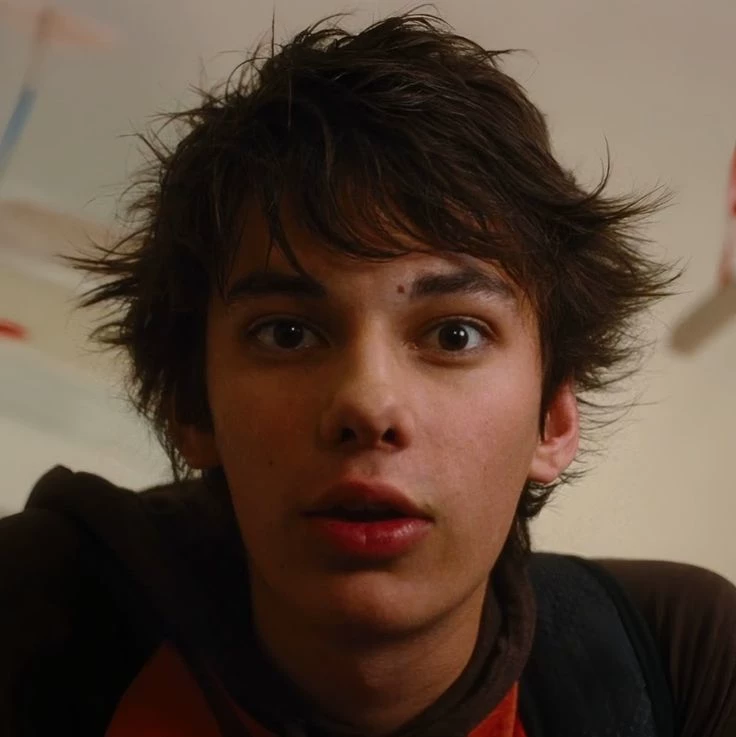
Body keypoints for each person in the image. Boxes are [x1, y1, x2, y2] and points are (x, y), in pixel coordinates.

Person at [1, 12, 735, 737]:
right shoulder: (28, 621)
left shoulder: (679, 661)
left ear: (555, 418)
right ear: (192, 406)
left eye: (454, 334)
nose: (368, 403)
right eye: (287, 334)